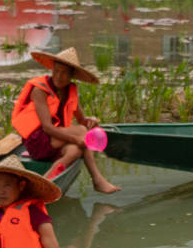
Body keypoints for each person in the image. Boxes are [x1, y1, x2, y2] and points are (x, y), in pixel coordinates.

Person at [9, 45, 121, 194]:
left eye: (64, 73)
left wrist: (92, 120)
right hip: (37, 142)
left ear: (71, 76)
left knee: (75, 150)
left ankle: (46, 182)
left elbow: (82, 120)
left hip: (54, 141)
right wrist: (75, 138)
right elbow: (47, 128)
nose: (59, 77)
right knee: (81, 134)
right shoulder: (40, 90)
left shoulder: (70, 91)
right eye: (56, 71)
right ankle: (97, 179)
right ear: (52, 70)